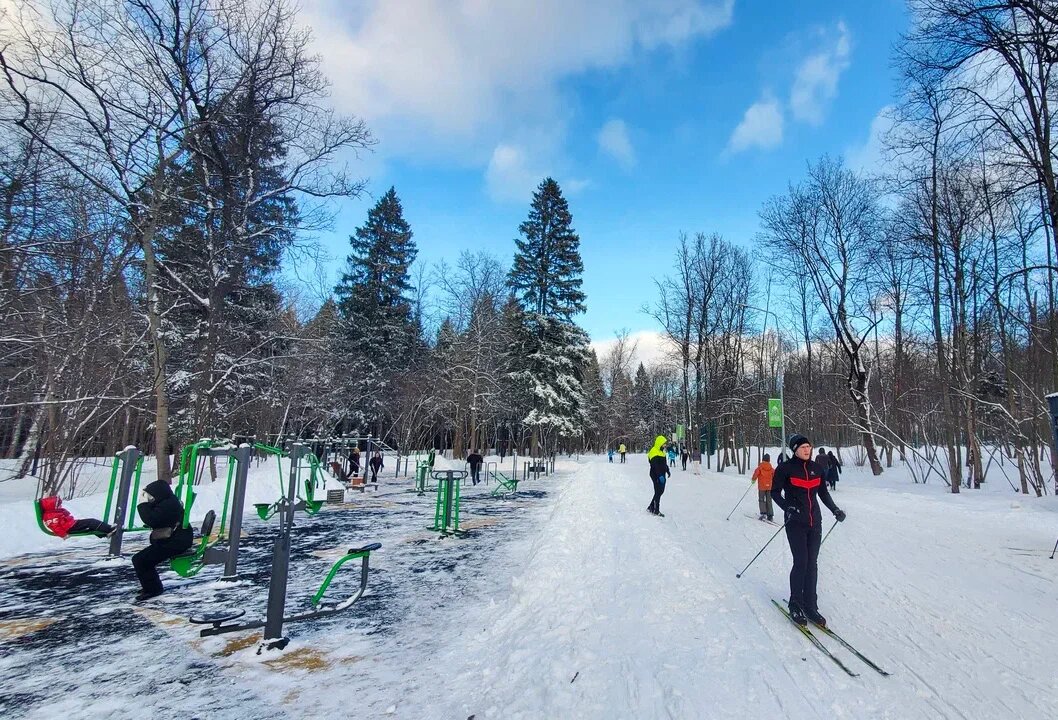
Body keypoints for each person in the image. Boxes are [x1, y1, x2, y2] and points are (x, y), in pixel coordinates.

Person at [771, 434, 846, 627]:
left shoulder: (817, 469)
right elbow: (774, 492)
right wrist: (788, 507)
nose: (807, 450)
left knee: (812, 563)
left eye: (809, 446)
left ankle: (810, 605)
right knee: (801, 562)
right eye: (803, 447)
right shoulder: (785, 468)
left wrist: (835, 509)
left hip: (815, 523)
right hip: (795, 523)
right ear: (794, 449)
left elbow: (823, 493)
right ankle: (795, 604)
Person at [131, 480, 193, 602]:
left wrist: (142, 504)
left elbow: (151, 519)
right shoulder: (169, 501)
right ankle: (151, 586)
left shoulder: (168, 505)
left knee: (140, 560)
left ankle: (153, 589)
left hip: (176, 542)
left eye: (150, 496)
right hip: (176, 540)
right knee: (143, 559)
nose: (149, 499)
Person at [38, 496, 115, 538]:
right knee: (91, 522)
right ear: (52, 507)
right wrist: (63, 535)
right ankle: (109, 529)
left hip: (70, 525)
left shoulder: (53, 513)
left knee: (90, 525)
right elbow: (55, 527)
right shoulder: (51, 516)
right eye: (58, 505)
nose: (60, 506)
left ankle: (105, 533)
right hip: (70, 527)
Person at [646, 435, 670, 517]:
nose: (665, 445)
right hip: (655, 474)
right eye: (664, 444)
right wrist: (659, 475)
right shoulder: (654, 451)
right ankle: (656, 510)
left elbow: (664, 464)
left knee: (660, 491)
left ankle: (651, 506)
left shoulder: (662, 452)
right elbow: (654, 465)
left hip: (662, 474)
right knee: (658, 491)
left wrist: (667, 470)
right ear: (660, 443)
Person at [751, 453, 774, 521]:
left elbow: (756, 474)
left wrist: (753, 480)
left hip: (762, 487)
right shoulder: (771, 468)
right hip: (769, 487)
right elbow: (775, 476)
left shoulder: (760, 467)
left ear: (763, 459)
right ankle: (770, 515)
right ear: (769, 460)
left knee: (761, 499)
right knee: (769, 500)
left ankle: (763, 513)